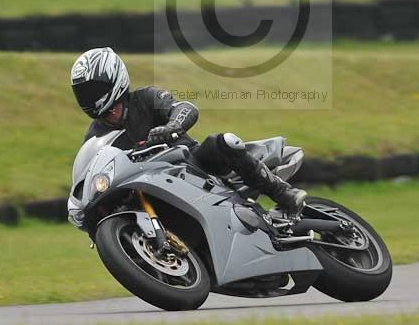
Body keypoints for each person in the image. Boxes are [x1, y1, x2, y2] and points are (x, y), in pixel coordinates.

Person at [70, 47, 307, 214]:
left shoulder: (144, 98)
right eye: (84, 93)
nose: (90, 98)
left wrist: (172, 127)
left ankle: (282, 192)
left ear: (114, 78)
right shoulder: (96, 135)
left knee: (222, 142)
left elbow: (185, 108)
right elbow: (91, 168)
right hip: (148, 184)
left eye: (94, 89)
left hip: (192, 164)